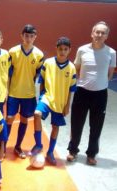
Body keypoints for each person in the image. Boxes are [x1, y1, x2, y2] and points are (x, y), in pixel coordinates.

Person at [67, 21, 116, 165]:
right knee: (76, 123)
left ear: (107, 36)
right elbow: (76, 69)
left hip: (100, 95)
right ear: (92, 33)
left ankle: (91, 154)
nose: (99, 35)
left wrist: (99, 84)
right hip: (81, 92)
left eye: (103, 33)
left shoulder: (111, 53)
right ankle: (73, 150)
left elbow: (110, 74)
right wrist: (85, 83)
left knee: (96, 126)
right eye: (97, 32)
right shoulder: (82, 50)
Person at [30, 37, 76, 166]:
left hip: (60, 102)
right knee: (37, 114)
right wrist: (41, 97)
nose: (62, 51)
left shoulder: (71, 68)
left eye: (65, 49)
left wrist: (68, 106)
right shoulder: (48, 63)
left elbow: (72, 89)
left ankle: (50, 152)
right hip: (47, 97)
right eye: (60, 49)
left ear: (69, 50)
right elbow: (42, 81)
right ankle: (38, 144)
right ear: (56, 49)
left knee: (55, 127)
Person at [6, 24, 44, 158]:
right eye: (26, 36)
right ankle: (3, 147)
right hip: (14, 93)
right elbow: (8, 74)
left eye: (31, 36)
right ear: (22, 36)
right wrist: (6, 91)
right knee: (9, 119)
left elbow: (40, 77)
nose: (28, 38)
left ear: (35, 37)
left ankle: (18, 146)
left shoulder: (39, 55)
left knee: (24, 120)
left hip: (29, 94)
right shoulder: (13, 52)